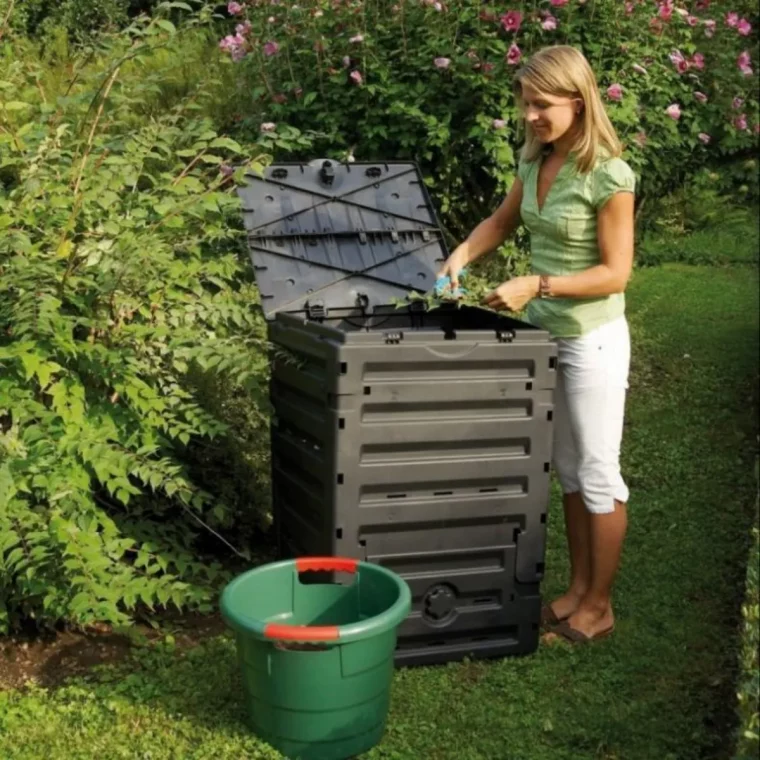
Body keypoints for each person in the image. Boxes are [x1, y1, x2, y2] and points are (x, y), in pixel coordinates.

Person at [437, 45, 636, 644]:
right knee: (568, 469)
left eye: (541, 104)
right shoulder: (536, 163)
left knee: (599, 471)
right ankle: (576, 591)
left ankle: (599, 607)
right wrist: (460, 256)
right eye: (525, 103)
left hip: (593, 338)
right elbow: (500, 223)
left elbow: (616, 273)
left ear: (578, 101)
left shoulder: (609, 175)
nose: (529, 115)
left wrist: (537, 283)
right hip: (545, 336)